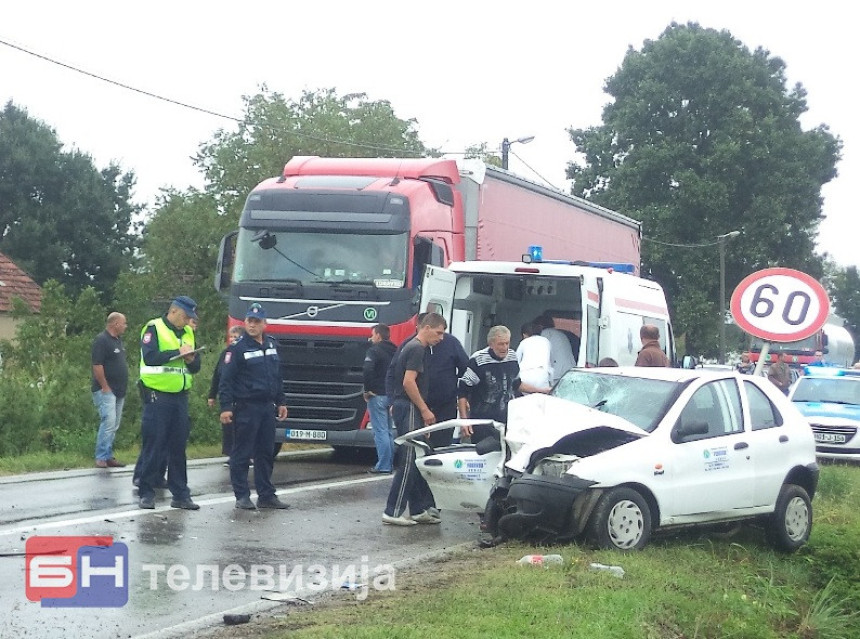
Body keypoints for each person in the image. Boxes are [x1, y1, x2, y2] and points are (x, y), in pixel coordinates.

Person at [219, 303, 290, 510]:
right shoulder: (237, 348)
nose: (252, 325)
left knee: (266, 452)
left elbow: (276, 377)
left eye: (256, 322)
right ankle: (242, 495)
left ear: (264, 324)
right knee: (241, 453)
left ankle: (266, 495)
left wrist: (281, 401)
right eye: (249, 321)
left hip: (267, 407)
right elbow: (226, 380)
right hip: (246, 406)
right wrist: (225, 407)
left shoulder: (270, 345)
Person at [136, 296, 202, 510]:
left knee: (178, 447)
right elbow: (151, 357)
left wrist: (192, 360)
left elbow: (195, 367)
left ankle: (181, 494)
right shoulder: (153, 328)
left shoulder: (188, 332)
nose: (186, 321)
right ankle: (146, 491)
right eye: (184, 316)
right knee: (154, 445)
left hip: (180, 397)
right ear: (173, 311)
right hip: (157, 396)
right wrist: (177, 353)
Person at [382, 313, 447, 526]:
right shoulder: (417, 348)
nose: (441, 338)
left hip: (409, 407)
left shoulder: (414, 347)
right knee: (410, 458)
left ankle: (418, 509)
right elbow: (409, 382)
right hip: (408, 406)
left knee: (420, 457)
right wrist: (424, 410)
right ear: (426, 328)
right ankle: (393, 511)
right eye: (438, 332)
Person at [459, 326, 551, 445]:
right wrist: (464, 421)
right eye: (501, 344)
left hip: (507, 420)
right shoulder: (478, 360)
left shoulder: (512, 357)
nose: (505, 348)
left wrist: (542, 391)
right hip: (482, 420)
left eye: (507, 343)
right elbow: (462, 391)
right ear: (491, 344)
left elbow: (516, 384)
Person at [92, 312, 129, 468]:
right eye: (124, 323)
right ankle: (101, 456)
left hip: (119, 390)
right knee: (108, 422)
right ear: (115, 324)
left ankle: (108, 455)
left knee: (114, 425)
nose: (125, 327)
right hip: (106, 390)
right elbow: (97, 365)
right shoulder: (102, 340)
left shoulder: (118, 341)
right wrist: (105, 386)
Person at [425, 326, 469, 448]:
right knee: (419, 445)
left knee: (442, 445)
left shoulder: (451, 342)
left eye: (441, 333)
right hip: (420, 404)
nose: (440, 337)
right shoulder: (414, 344)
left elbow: (465, 367)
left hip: (446, 404)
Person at [363, 323, 397, 474]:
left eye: (372, 334)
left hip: (376, 395)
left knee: (380, 431)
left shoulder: (374, 351)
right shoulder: (396, 351)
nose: (371, 338)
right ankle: (389, 463)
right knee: (388, 431)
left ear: (378, 335)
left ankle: (383, 465)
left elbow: (368, 369)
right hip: (391, 395)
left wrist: (368, 389)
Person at [209, 325, 245, 460]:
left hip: (241, 397)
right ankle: (231, 455)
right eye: (231, 337)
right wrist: (212, 395)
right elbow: (218, 375)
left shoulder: (243, 353)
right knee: (228, 429)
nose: (233, 339)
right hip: (227, 396)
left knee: (242, 429)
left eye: (236, 337)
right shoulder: (225, 353)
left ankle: (246, 456)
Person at [535, 314, 576, 384]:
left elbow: (540, 354)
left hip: (558, 371)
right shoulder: (560, 334)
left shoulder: (545, 334)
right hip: (570, 368)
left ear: (540, 326)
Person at [516, 321, 553, 389]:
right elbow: (549, 362)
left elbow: (516, 361)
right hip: (542, 376)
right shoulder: (546, 341)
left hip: (525, 376)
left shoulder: (524, 342)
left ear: (524, 335)